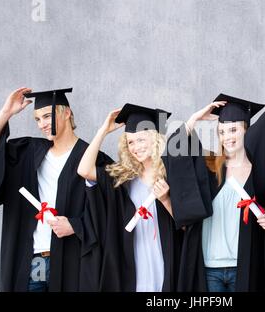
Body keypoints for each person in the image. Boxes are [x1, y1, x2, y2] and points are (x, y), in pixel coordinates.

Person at [0, 87, 109, 291]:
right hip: (35, 261)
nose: (42, 125)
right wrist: (6, 113)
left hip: (73, 261)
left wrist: (76, 225)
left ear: (66, 113)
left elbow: (110, 213)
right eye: (37, 119)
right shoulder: (27, 153)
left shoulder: (93, 159)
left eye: (47, 116)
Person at [78, 103, 192, 291]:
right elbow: (84, 170)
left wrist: (165, 200)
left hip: (164, 255)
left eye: (141, 140)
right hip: (132, 256)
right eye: (130, 142)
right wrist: (103, 130)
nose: (135, 147)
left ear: (155, 139)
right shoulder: (123, 177)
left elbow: (187, 225)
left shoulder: (171, 173)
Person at [176, 94, 265, 292]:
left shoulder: (261, 171)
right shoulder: (210, 167)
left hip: (246, 267)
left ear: (247, 130)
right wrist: (194, 119)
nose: (228, 137)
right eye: (222, 132)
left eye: (233, 130)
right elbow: (176, 154)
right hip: (210, 269)